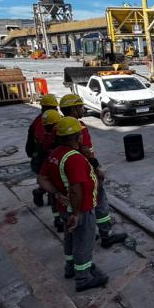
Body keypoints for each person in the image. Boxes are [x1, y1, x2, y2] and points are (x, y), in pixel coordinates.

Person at [37, 116, 108, 291]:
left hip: (64, 208)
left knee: (70, 238)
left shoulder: (55, 154)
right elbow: (76, 189)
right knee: (83, 242)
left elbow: (41, 178)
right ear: (77, 136)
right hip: (80, 210)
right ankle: (83, 278)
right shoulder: (73, 158)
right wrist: (77, 214)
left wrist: (56, 193)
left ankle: (71, 267)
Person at [59, 94, 128, 248]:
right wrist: (97, 168)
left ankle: (88, 231)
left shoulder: (61, 125)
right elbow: (85, 150)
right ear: (73, 109)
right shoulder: (78, 127)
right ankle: (106, 235)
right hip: (86, 171)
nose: (83, 109)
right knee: (100, 202)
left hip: (75, 173)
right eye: (80, 106)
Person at [27, 94, 59, 207]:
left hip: (45, 156)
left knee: (52, 182)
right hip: (44, 157)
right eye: (54, 108)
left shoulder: (44, 120)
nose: (56, 110)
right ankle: (55, 212)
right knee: (52, 183)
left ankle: (42, 193)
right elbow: (45, 143)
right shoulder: (42, 123)